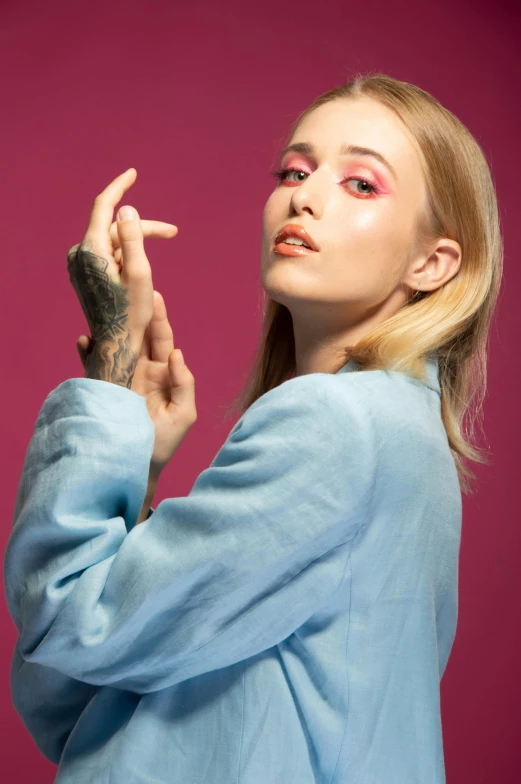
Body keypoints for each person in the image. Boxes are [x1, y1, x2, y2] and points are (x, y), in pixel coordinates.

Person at [3, 72, 502, 783]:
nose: (303, 195)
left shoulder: (337, 425)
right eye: (295, 170)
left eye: (360, 184)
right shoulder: (399, 433)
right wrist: (135, 467)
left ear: (432, 263)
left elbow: (68, 626)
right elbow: (85, 709)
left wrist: (111, 362)